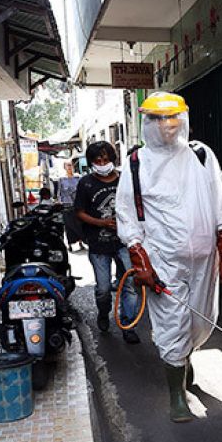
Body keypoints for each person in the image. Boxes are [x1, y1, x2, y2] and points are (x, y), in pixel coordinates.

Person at [115, 92, 222, 423]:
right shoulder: (136, 163)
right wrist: (139, 258)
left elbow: (219, 198)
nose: (166, 126)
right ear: (147, 123)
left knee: (200, 319)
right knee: (171, 324)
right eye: (157, 119)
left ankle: (185, 357)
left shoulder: (200, 155)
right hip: (164, 262)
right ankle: (176, 396)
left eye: (172, 119)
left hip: (203, 260)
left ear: (182, 120)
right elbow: (126, 213)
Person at [75, 140, 141, 345]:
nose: (102, 163)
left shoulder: (125, 179)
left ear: (112, 159)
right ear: (91, 162)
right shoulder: (86, 183)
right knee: (103, 289)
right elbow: (79, 213)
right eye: (97, 160)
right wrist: (102, 222)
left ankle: (128, 325)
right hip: (98, 245)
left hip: (124, 243)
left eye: (105, 159)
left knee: (129, 284)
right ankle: (103, 313)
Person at [57, 160, 85, 252]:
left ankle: (81, 242)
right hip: (67, 205)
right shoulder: (61, 179)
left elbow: (82, 190)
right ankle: (70, 244)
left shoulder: (78, 178)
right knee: (69, 225)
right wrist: (60, 202)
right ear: (64, 167)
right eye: (67, 166)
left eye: (70, 165)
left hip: (77, 205)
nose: (69, 167)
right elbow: (59, 193)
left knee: (79, 224)